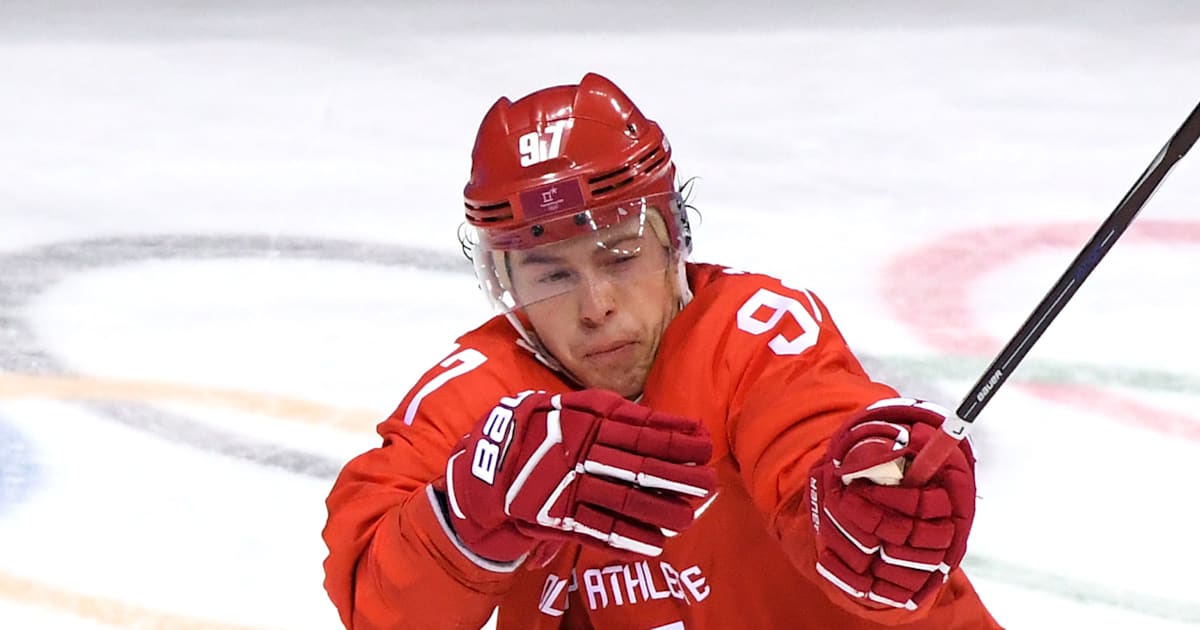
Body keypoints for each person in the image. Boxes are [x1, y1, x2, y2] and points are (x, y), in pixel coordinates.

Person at [321, 72, 1002, 630]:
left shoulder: (751, 335)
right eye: (552, 276)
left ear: (675, 238)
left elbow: (810, 429)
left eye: (620, 256)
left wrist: (863, 513)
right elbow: (377, 609)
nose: (595, 306)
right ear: (505, 284)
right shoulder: (477, 397)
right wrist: (465, 517)